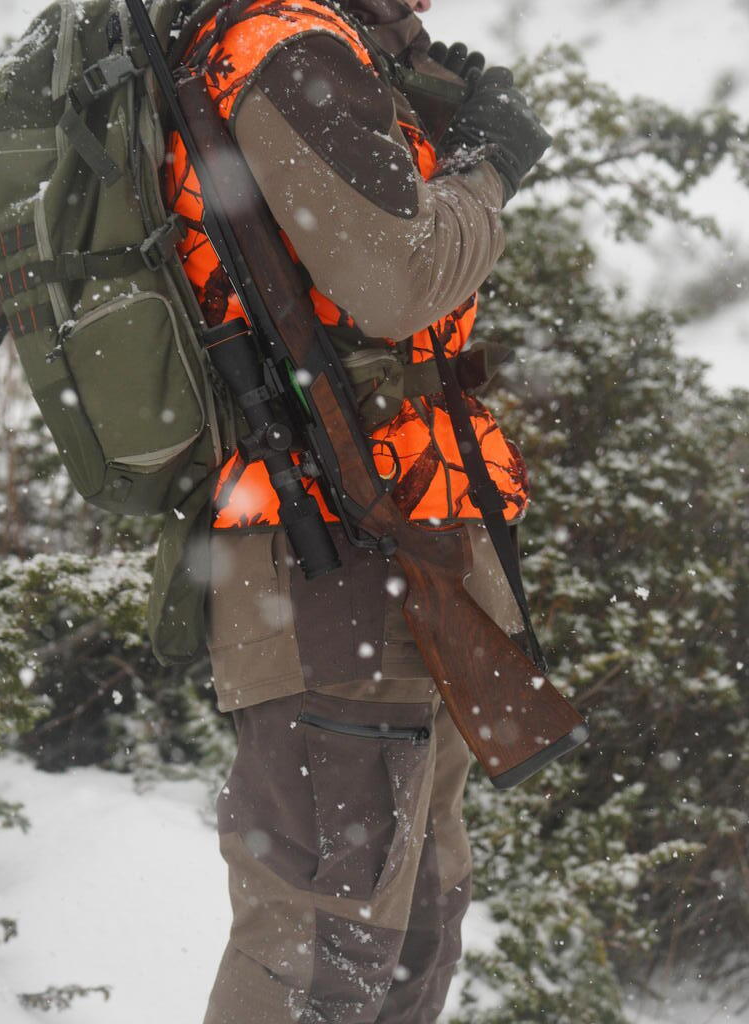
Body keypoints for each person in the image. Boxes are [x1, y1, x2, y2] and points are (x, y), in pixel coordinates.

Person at [165, 0, 552, 1019]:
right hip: (329, 559)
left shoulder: (314, 47)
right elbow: (399, 278)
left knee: (411, 924)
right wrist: (493, 170)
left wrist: (433, 116)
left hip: (390, 544)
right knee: (320, 951)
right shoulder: (282, 48)